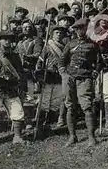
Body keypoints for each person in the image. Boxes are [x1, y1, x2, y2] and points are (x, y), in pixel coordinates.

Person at [58, 18, 102, 147]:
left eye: (81, 28)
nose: (79, 31)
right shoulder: (70, 44)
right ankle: (72, 136)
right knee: (70, 106)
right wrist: (63, 73)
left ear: (86, 29)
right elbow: (62, 61)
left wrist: (96, 71)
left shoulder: (93, 45)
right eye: (76, 29)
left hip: (85, 78)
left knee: (87, 107)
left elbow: (99, 63)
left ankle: (91, 137)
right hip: (70, 78)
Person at [0, 31, 28, 146]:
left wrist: (23, 87)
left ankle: (17, 137)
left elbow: (21, 73)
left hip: (11, 89)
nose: (7, 41)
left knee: (18, 112)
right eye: (4, 39)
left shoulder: (15, 56)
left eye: (9, 39)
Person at [35, 25, 67, 134]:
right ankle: (42, 123)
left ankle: (60, 120)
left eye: (60, 33)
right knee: (46, 100)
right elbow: (39, 63)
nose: (59, 35)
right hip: (48, 76)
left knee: (62, 99)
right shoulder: (47, 47)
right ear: (52, 34)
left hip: (60, 76)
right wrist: (39, 75)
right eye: (56, 32)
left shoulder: (65, 47)